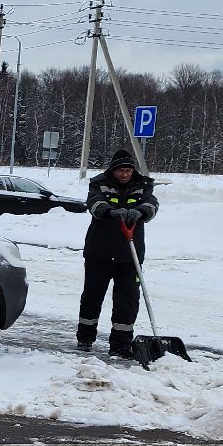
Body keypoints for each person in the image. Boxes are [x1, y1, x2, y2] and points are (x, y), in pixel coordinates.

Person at [77, 149, 159, 358]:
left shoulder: (144, 186)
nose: (124, 175)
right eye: (121, 171)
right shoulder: (99, 183)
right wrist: (109, 211)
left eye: (128, 171)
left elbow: (152, 204)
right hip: (99, 251)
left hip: (129, 255)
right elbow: (94, 203)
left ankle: (121, 344)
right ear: (113, 170)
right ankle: (85, 338)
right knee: (92, 297)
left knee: (127, 300)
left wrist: (140, 212)